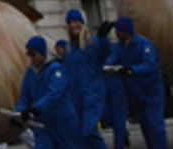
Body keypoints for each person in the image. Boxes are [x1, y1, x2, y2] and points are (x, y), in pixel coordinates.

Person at [106, 17, 167, 149]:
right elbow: (110, 61)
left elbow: (150, 65)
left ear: (125, 31)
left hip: (151, 91)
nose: (116, 33)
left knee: (155, 125)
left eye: (118, 30)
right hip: (136, 93)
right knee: (146, 127)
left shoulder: (143, 44)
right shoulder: (119, 47)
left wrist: (132, 70)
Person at [12, 36, 77, 149]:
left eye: (34, 54)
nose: (31, 58)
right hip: (43, 125)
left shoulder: (56, 70)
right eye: (29, 54)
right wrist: (19, 113)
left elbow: (54, 93)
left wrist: (36, 109)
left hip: (62, 122)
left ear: (42, 53)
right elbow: (25, 96)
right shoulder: (30, 72)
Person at [62, 11, 107, 149]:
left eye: (76, 21)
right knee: (79, 136)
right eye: (70, 22)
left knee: (88, 131)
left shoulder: (92, 43)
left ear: (82, 23)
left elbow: (104, 53)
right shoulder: (68, 49)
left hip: (91, 95)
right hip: (75, 98)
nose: (73, 25)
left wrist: (103, 37)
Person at [83, 21, 126, 149]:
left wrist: (102, 38)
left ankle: (120, 142)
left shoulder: (97, 44)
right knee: (97, 123)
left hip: (106, 85)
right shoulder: (81, 48)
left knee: (116, 119)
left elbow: (105, 52)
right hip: (93, 89)